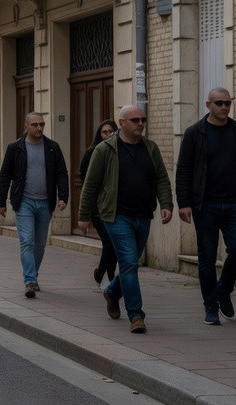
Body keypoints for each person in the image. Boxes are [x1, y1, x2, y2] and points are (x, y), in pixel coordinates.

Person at [78, 105, 174, 335]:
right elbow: (90, 184)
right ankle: (136, 315)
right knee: (129, 263)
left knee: (131, 263)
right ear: (122, 123)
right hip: (116, 215)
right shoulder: (105, 150)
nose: (140, 123)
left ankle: (111, 292)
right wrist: (83, 215)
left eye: (143, 119)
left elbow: (161, 177)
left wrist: (167, 204)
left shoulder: (150, 148)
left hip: (143, 215)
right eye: (135, 120)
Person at [176, 88, 236, 325]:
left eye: (227, 103)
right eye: (219, 103)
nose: (224, 107)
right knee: (207, 258)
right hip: (206, 205)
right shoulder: (195, 133)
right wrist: (183, 202)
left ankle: (223, 288)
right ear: (208, 105)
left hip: (234, 204)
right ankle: (210, 305)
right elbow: (183, 169)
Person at [0, 112, 69, 299]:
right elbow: (5, 175)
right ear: (26, 126)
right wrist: (0, 201)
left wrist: (63, 196)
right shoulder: (15, 148)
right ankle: (29, 280)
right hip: (24, 201)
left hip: (45, 202)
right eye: (35, 124)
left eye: (42, 124)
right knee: (27, 241)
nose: (39, 128)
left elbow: (62, 173)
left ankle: (33, 276)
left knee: (40, 244)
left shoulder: (52, 147)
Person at [80, 120, 119, 285]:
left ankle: (103, 274)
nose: (108, 135)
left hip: (115, 207)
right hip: (97, 208)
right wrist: (86, 213)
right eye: (105, 132)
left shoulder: (119, 152)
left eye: (111, 131)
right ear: (99, 134)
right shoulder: (92, 153)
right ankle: (109, 278)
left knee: (113, 244)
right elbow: (86, 183)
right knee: (109, 242)